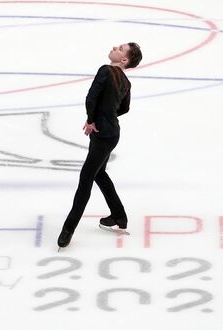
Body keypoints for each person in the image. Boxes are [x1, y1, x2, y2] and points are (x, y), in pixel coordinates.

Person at [57, 42, 143, 249]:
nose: (115, 47)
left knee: (86, 178)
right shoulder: (125, 82)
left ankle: (68, 229)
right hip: (112, 133)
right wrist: (106, 117)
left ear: (124, 60)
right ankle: (119, 216)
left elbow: (91, 97)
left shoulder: (106, 70)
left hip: (102, 134)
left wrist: (92, 120)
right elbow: (125, 108)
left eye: (120, 49)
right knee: (99, 174)